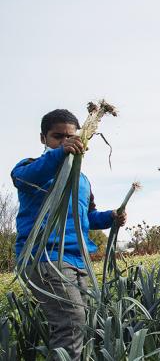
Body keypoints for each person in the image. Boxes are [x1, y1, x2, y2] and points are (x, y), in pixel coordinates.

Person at [11, 109, 126, 360]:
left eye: (71, 136)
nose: (65, 141)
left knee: (79, 325)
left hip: (77, 259)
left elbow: (86, 218)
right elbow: (21, 178)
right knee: (72, 323)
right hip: (46, 258)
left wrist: (111, 217)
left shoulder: (82, 179)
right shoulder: (31, 168)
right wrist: (60, 154)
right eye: (57, 137)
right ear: (43, 139)